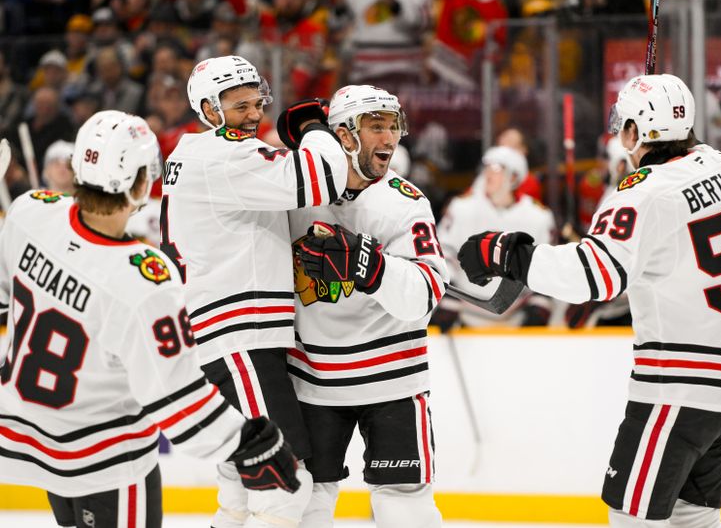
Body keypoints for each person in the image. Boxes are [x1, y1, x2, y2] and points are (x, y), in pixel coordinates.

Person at [458, 74, 721, 527]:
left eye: (623, 124)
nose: (618, 134)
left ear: (635, 132)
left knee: (632, 516)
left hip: (685, 385)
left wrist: (508, 255)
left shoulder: (642, 193)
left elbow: (594, 276)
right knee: (694, 517)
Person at [0, 110, 299, 528]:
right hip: (104, 460)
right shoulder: (145, 279)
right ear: (142, 182)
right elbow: (177, 397)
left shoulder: (28, 213)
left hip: (26, 441)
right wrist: (248, 442)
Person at [161, 55, 348, 528]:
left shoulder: (195, 153)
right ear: (207, 108)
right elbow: (320, 176)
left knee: (240, 480)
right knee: (285, 481)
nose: (253, 114)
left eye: (256, 102)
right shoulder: (224, 154)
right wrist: (313, 126)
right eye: (238, 105)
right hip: (237, 338)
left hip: (222, 335)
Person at [288, 85, 448, 527]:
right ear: (343, 135)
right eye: (376, 126)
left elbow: (425, 295)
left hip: (392, 379)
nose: (390, 137)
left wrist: (370, 266)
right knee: (303, 503)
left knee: (404, 506)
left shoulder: (406, 202)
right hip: (312, 378)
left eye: (394, 126)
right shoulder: (295, 192)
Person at [435, 145, 555, 328]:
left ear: (514, 177)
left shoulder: (538, 216)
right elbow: (443, 252)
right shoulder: (461, 208)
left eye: (497, 168)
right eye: (487, 167)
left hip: (517, 317)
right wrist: (448, 296)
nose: (488, 173)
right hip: (465, 316)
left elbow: (547, 264)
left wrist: (540, 303)